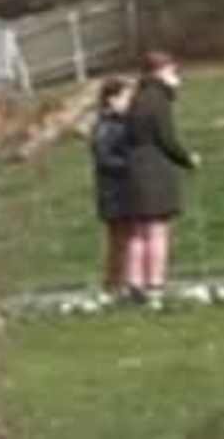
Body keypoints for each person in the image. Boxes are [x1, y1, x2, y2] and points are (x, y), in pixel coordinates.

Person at [119, 51, 198, 300]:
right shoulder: (158, 100)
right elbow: (166, 139)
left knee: (137, 231)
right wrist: (187, 159)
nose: (176, 77)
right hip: (155, 170)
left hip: (134, 169)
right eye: (173, 71)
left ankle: (134, 283)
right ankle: (155, 284)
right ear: (160, 72)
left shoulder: (137, 98)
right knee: (157, 230)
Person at [89, 76, 138, 296]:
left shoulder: (123, 123)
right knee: (119, 240)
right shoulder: (105, 126)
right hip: (114, 192)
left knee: (128, 238)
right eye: (127, 97)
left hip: (126, 190)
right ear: (112, 99)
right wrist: (131, 164)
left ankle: (126, 282)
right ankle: (115, 285)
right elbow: (104, 158)